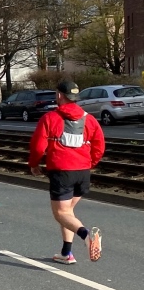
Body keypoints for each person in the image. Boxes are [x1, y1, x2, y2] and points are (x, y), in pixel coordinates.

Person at [29, 80, 104, 264]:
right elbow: (99, 146)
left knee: (60, 214)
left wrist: (34, 164)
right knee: (68, 211)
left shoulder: (50, 118)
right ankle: (66, 253)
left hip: (62, 172)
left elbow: (38, 146)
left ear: (59, 95)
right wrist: (90, 163)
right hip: (82, 172)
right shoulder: (89, 119)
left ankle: (87, 236)